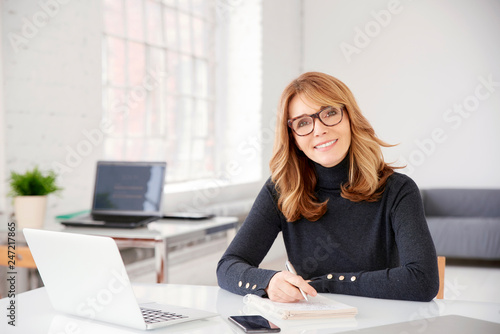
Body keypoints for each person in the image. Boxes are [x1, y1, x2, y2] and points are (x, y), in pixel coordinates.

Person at [216, 72, 439, 302]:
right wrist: (269, 281)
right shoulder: (282, 190)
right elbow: (227, 266)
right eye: (303, 123)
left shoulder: (398, 190)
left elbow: (423, 281)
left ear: (350, 117)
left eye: (329, 113)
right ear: (293, 137)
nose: (318, 129)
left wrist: (325, 284)